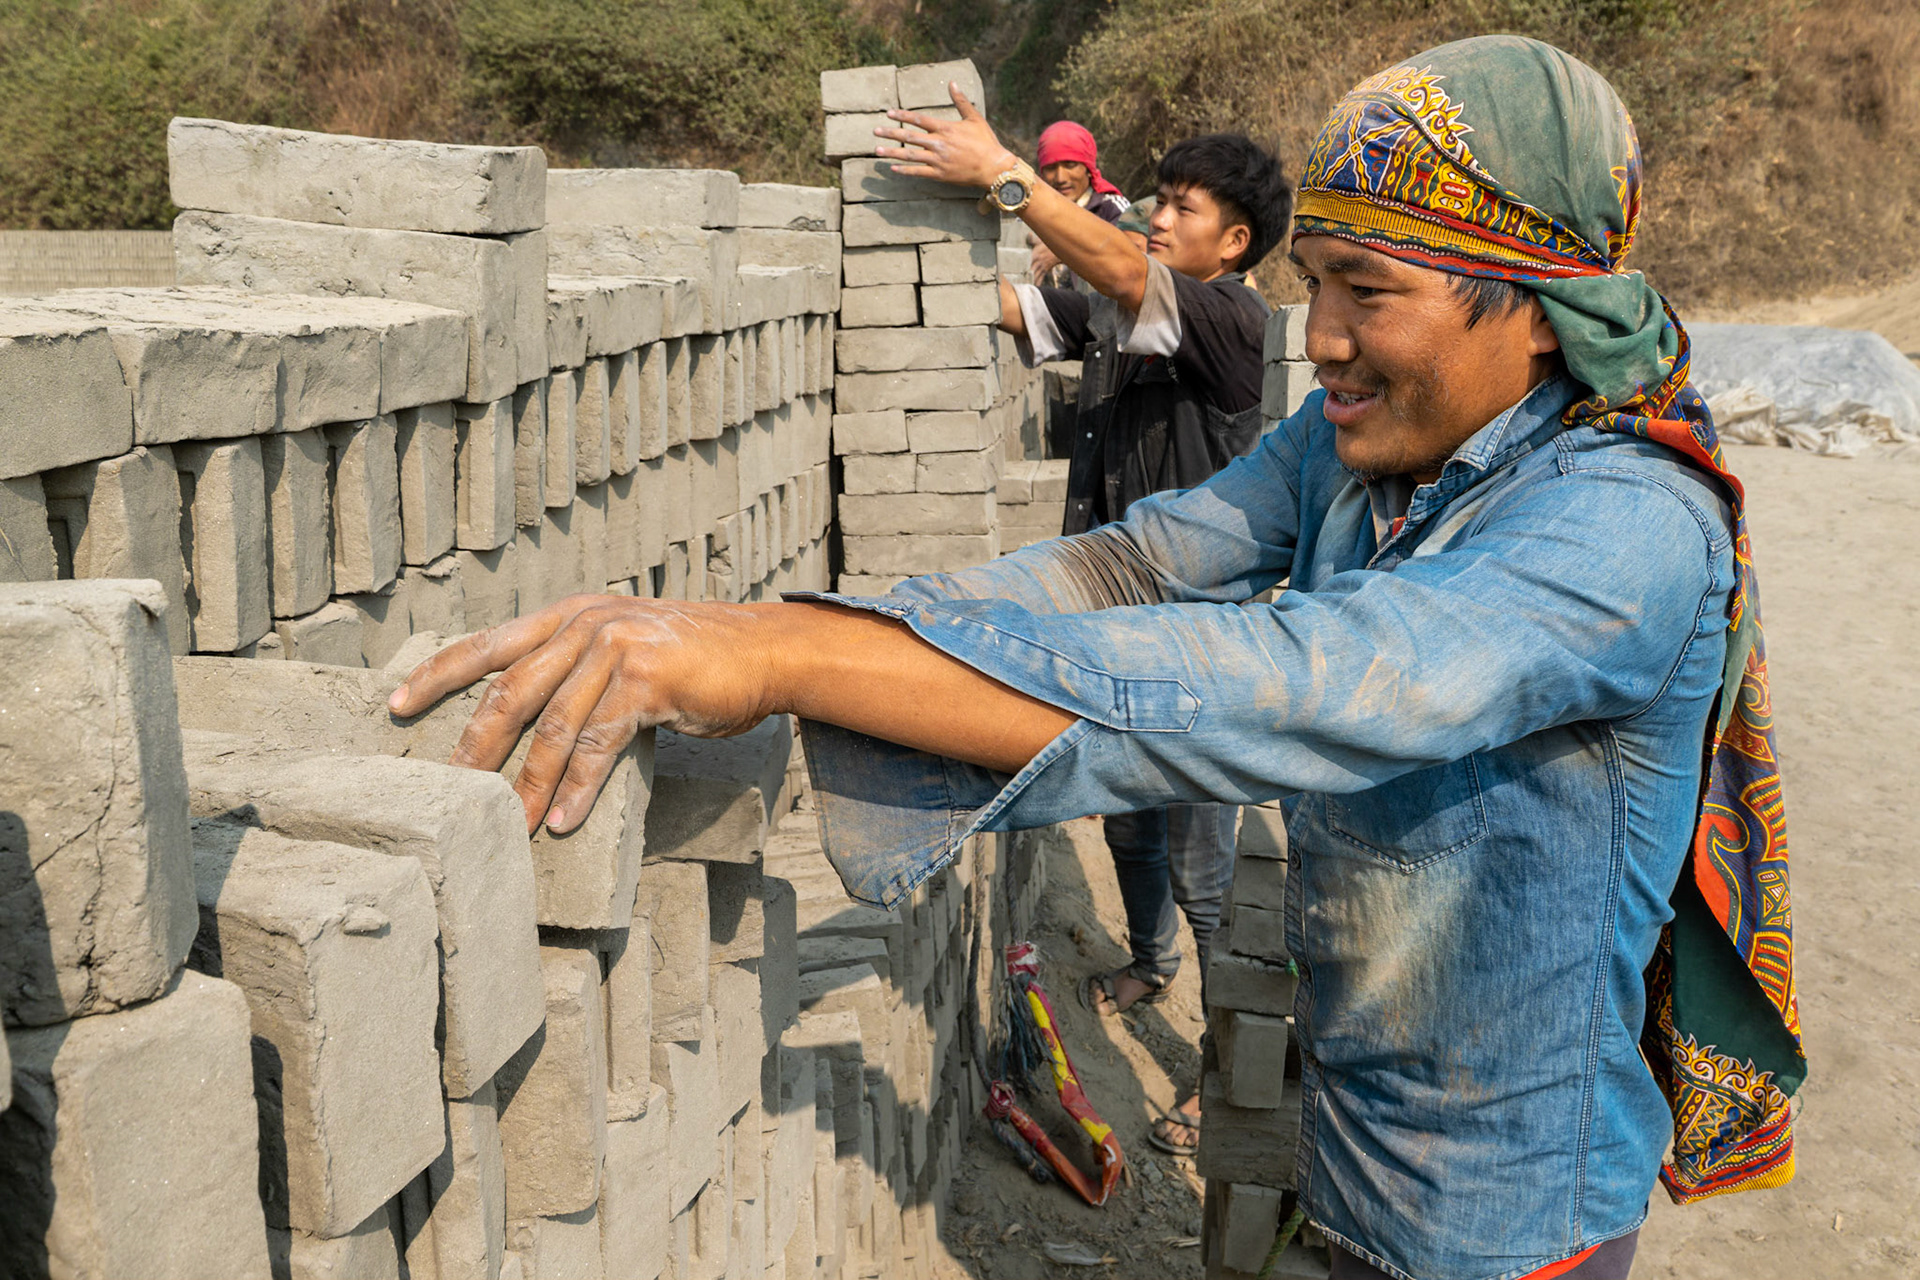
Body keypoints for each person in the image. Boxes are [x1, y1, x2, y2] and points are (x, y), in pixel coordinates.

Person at [391, 36, 1805, 1280]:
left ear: (1534, 299)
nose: (1323, 343)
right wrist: (863, 625)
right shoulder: (1357, 451)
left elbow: (1302, 683)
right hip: (1355, 1140)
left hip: (1508, 1225)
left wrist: (792, 658)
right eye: (1314, 284)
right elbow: (1131, 562)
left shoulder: (1623, 529)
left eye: (1368, 293)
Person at [993, 128, 1288, 1156]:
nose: (1158, 219)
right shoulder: (1131, 312)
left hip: (1195, 638)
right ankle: (1149, 960)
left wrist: (1004, 175)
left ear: (1236, 242)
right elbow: (1029, 308)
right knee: (1124, 821)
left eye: (1184, 209)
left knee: (1207, 861)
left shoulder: (1225, 320)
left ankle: (1224, 1066)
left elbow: (1117, 266)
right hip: (1112, 623)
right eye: (1156, 199)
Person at [1028, 120, 1130, 285]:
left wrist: (1063, 251)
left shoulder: (1113, 208)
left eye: (1070, 165)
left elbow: (1128, 260)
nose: (1060, 178)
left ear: (1088, 168)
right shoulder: (1031, 212)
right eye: (1051, 168)